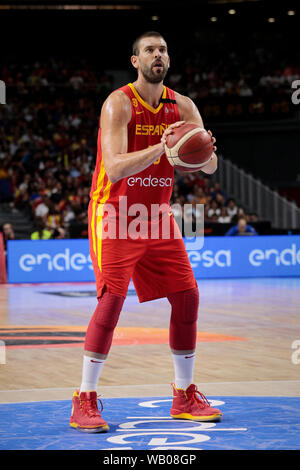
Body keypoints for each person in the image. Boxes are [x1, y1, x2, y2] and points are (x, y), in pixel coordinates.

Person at [69, 31, 222, 433]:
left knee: (188, 296)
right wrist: (163, 147)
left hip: (156, 216)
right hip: (114, 215)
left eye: (163, 50)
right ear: (135, 61)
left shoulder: (184, 105)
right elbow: (115, 166)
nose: (159, 55)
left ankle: (183, 393)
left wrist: (202, 150)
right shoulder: (118, 103)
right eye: (150, 50)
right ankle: (83, 399)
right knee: (111, 300)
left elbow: (209, 167)